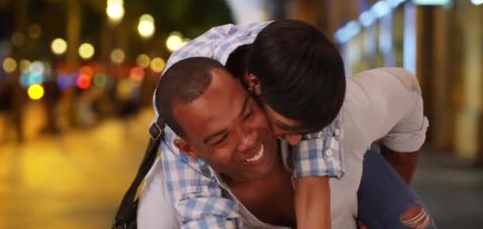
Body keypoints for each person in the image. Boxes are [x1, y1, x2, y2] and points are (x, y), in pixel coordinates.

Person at [136, 20, 432, 228]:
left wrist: (383, 202)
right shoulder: (183, 127)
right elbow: (204, 217)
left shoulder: (299, 79)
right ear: (252, 85)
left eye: (248, 117)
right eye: (286, 128)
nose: (293, 142)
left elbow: (313, 184)